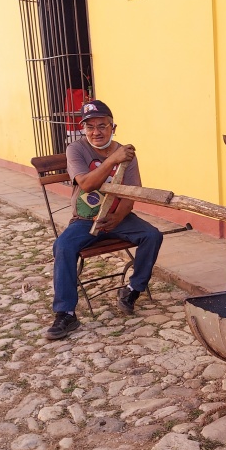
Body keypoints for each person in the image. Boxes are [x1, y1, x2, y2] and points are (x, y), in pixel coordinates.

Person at [45, 99, 165, 340]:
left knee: (152, 235)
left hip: (119, 217)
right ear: (83, 129)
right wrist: (112, 159)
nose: (96, 132)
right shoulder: (76, 149)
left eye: (102, 125)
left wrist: (118, 217)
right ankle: (65, 313)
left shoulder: (126, 153)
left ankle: (132, 290)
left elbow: (132, 192)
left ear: (113, 127)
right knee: (63, 246)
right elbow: (87, 184)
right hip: (86, 219)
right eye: (89, 127)